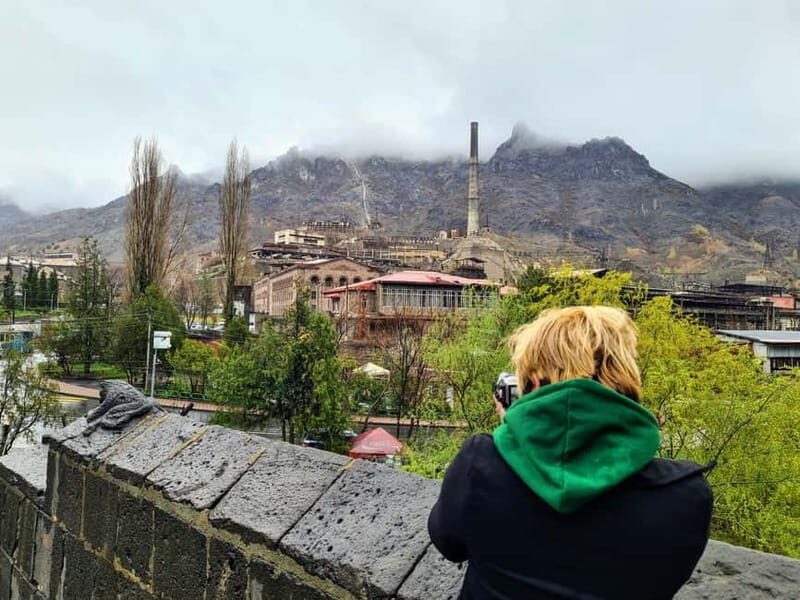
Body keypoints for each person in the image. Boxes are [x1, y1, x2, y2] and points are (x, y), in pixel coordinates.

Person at [428, 306, 713, 599]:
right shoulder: (686, 495)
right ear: (626, 379)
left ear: (534, 384)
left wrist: (516, 437)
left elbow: (449, 542)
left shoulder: (480, 463)